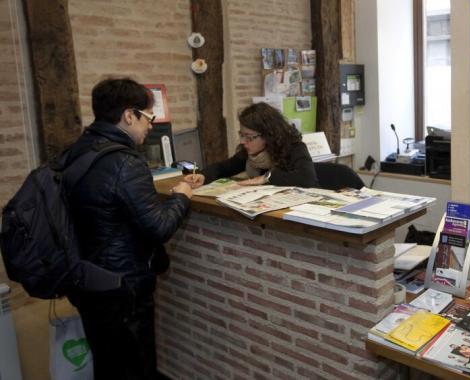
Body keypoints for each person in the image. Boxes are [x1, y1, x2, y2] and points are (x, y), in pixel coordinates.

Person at [65, 78, 192, 379]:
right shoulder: (125, 163)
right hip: (123, 287)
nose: (151, 125)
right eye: (148, 117)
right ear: (128, 115)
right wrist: (181, 196)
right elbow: (159, 227)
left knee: (108, 364)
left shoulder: (79, 149)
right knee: (135, 366)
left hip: (88, 277)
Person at [184, 102, 318, 188]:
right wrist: (203, 176)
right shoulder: (249, 153)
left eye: (249, 137)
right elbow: (222, 168)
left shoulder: (294, 147)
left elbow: (307, 178)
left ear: (267, 135)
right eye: (241, 135)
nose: (243, 142)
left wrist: (266, 178)